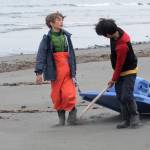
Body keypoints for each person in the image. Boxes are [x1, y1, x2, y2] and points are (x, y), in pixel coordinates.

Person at [95, 18, 141, 129]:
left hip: (129, 71)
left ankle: (135, 117)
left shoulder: (122, 46)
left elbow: (120, 65)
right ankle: (125, 119)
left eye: (103, 35)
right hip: (119, 71)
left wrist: (113, 79)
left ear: (107, 34)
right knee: (120, 96)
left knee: (127, 96)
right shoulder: (116, 32)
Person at [35, 12, 77, 126]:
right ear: (51, 23)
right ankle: (61, 119)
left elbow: (72, 55)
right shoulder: (47, 39)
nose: (61, 22)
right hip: (55, 71)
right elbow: (41, 56)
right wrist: (39, 73)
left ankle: (73, 113)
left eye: (62, 20)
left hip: (67, 70)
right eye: (58, 20)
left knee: (68, 94)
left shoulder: (66, 36)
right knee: (57, 96)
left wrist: (74, 71)